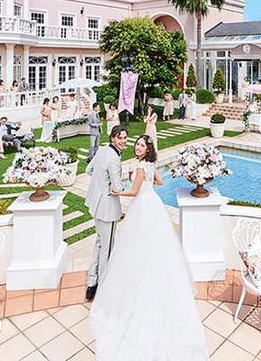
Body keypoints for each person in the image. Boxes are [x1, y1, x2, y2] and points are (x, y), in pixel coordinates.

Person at [90, 135, 209, 360]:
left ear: (147, 149)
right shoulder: (149, 163)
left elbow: (134, 192)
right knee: (155, 244)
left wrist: (116, 192)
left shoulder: (140, 166)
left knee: (136, 243)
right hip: (153, 203)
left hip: (142, 206)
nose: (137, 147)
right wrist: (146, 182)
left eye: (141, 145)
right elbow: (160, 182)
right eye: (137, 144)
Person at [84, 125, 128, 301]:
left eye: (124, 138)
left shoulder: (102, 150)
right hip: (107, 209)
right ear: (112, 138)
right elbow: (117, 188)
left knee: (99, 243)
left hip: (96, 204)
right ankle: (104, 286)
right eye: (120, 138)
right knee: (107, 248)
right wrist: (114, 186)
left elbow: (89, 170)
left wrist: (101, 184)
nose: (123, 141)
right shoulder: (114, 159)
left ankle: (92, 283)